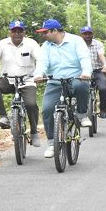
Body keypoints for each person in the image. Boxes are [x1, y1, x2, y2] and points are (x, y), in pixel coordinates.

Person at [33, 19, 92, 158]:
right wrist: (38, 74)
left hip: (75, 78)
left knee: (81, 86)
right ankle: (52, 144)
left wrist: (86, 72)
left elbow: (84, 58)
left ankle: (82, 114)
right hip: (55, 81)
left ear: (54, 31)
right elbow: (42, 62)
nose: (43, 35)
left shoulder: (76, 40)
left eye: (45, 32)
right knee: (47, 109)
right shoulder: (46, 46)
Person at [0, 20, 42, 147]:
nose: (17, 34)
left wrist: (39, 74)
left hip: (27, 80)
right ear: (9, 32)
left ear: (24, 32)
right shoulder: (2, 44)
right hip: (9, 80)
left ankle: (34, 132)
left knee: (31, 104)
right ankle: (4, 116)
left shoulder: (31, 43)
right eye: (14, 31)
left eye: (20, 31)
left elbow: (41, 59)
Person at [80, 25, 106, 119]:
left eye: (89, 33)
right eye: (85, 34)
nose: (87, 36)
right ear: (81, 35)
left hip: (97, 70)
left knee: (103, 89)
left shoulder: (98, 44)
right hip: (82, 72)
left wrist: (105, 65)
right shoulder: (78, 44)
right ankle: (80, 110)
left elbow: (101, 55)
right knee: (78, 89)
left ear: (92, 34)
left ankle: (103, 108)